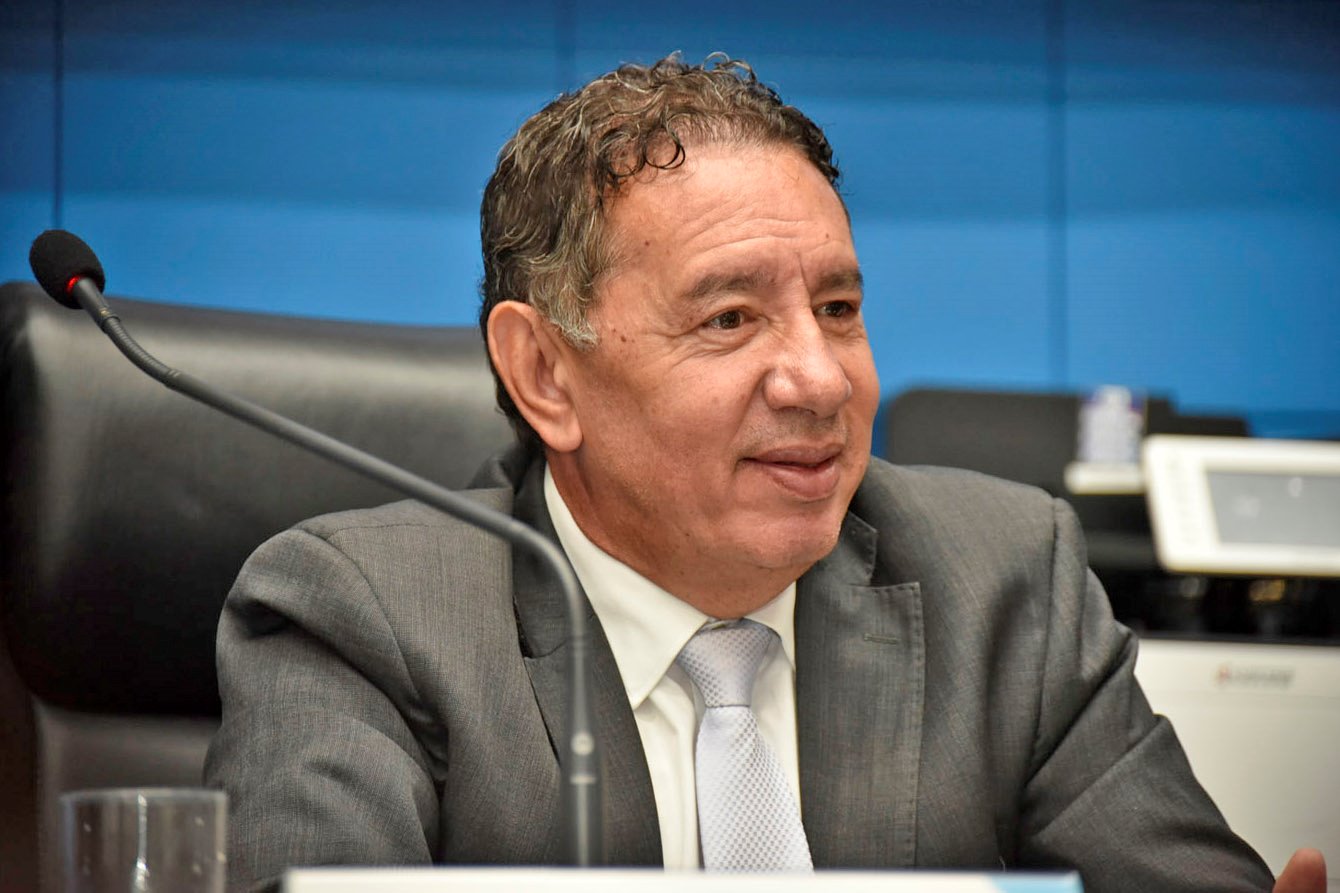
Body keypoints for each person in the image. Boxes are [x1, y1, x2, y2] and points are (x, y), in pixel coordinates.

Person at [204, 54, 1327, 892]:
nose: (820, 379)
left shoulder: (1005, 584)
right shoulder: (365, 617)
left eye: (837, 308)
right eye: (730, 318)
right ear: (545, 373)